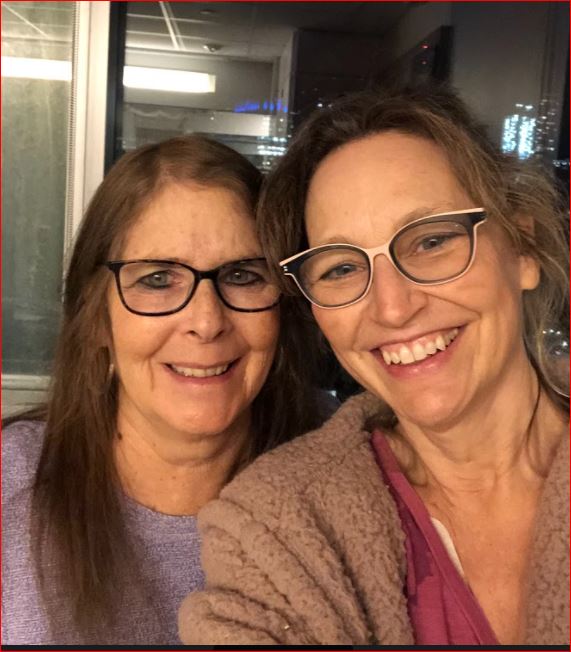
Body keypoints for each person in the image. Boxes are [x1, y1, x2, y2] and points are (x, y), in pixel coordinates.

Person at [179, 86, 569, 646]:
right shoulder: (277, 527)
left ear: (523, 250)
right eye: (340, 269)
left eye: (431, 241)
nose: (392, 307)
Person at [2, 135, 330, 645]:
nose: (206, 321)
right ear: (97, 319)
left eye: (243, 275)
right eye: (158, 279)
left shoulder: (343, 492)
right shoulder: (12, 487)